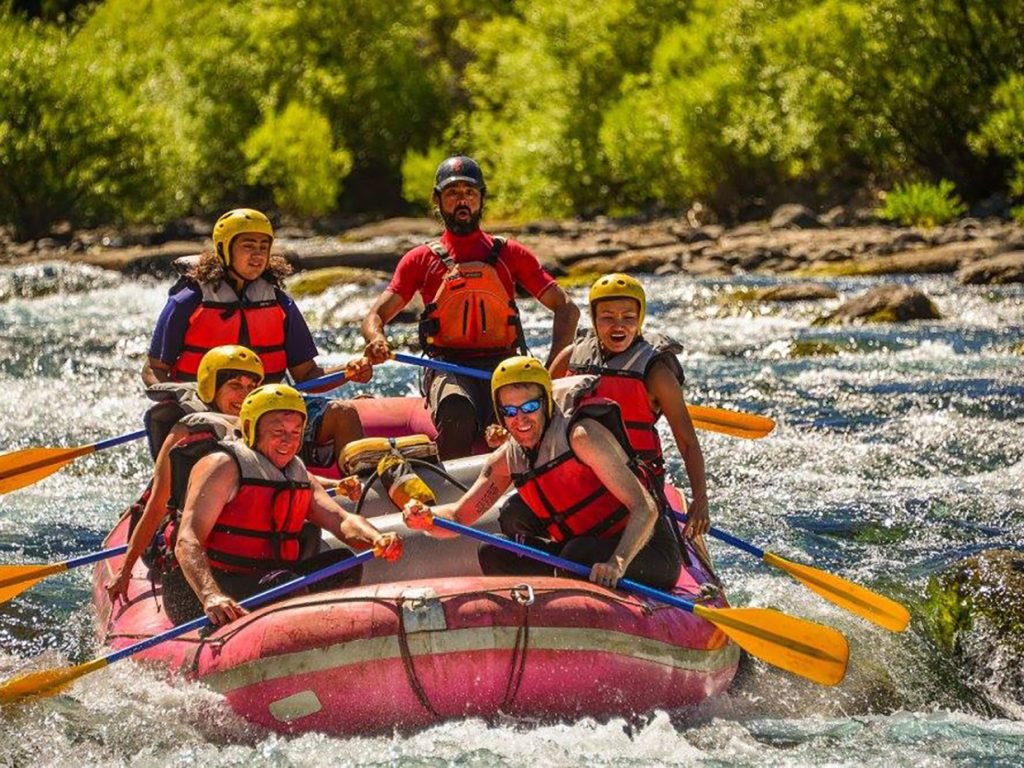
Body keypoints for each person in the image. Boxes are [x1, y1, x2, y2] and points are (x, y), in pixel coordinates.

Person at [361, 156, 579, 459]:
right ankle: (455, 495)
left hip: (503, 364)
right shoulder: (420, 260)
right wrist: (376, 339)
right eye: (452, 193)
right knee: (456, 409)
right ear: (438, 201)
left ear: (481, 199)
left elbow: (567, 308)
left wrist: (552, 370)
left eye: (469, 193)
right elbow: (375, 316)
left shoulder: (510, 254)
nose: (462, 200)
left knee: (512, 419)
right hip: (446, 367)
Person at [403, 356, 681, 590]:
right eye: (510, 411)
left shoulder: (582, 437)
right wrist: (426, 520)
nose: (520, 419)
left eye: (530, 407)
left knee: (578, 553)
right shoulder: (506, 460)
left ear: (546, 402)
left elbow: (646, 507)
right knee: (495, 552)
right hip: (581, 549)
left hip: (645, 550)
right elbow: (459, 517)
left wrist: (617, 563)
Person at [144, 208, 371, 471]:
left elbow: (307, 374)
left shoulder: (279, 302)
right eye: (248, 246)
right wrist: (186, 397)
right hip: (211, 410)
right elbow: (154, 368)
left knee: (342, 413)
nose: (258, 254)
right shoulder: (188, 301)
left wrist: (349, 371)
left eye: (264, 246)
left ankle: (358, 492)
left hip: (271, 407)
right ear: (225, 249)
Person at [165, 384, 403, 626]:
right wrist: (210, 595)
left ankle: (327, 635)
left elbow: (341, 520)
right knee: (286, 584)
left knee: (341, 564)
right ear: (251, 429)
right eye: (278, 431)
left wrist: (376, 539)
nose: (288, 441)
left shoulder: (297, 473)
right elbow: (187, 539)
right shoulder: (222, 466)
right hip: (204, 588)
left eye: (296, 432)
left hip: (269, 580)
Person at [549, 273, 711, 538]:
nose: (618, 326)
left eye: (628, 317)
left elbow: (687, 441)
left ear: (640, 319)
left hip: (636, 483)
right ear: (593, 318)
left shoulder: (656, 374)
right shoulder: (571, 357)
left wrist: (700, 499)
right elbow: (539, 411)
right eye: (607, 317)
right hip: (578, 477)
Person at [106, 345, 264, 604]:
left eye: (252, 387)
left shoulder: (262, 427)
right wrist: (125, 570)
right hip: (179, 539)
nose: (245, 395)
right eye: (235, 385)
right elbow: (157, 506)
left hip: (232, 539)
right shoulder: (185, 433)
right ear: (212, 387)